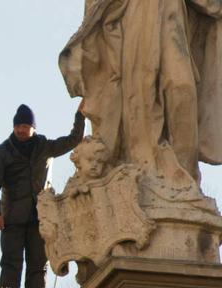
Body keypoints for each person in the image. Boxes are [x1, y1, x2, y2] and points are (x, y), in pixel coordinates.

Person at [59, 0, 222, 189]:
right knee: (141, 95)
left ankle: (186, 178)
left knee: (182, 88)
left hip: (172, 19)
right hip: (134, 20)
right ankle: (144, 169)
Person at [0, 103, 85, 288]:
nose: (21, 130)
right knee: (11, 263)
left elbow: (74, 139)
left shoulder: (44, 147)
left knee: (38, 265)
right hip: (11, 218)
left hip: (40, 218)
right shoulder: (2, 152)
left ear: (33, 128)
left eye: (25, 126)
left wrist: (80, 116)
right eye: (18, 126)